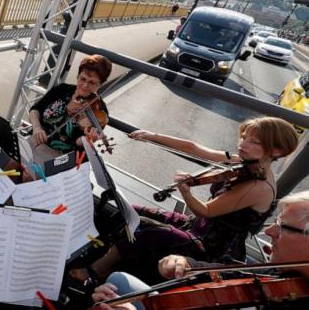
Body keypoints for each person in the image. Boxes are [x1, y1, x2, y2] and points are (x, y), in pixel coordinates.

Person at [73, 117, 298, 285]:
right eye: (244, 136)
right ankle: (95, 247)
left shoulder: (260, 187)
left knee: (148, 230)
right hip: (196, 227)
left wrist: (186, 191)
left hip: (211, 247)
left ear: (275, 150)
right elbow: (194, 148)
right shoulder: (244, 161)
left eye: (253, 141)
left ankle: (96, 270)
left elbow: (206, 211)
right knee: (131, 210)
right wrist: (152, 135)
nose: (243, 143)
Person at [92, 190, 309, 310]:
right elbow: (228, 272)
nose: (269, 231)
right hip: (198, 229)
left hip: (209, 242)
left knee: (150, 236)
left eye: (282, 227)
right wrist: (186, 263)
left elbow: (206, 211)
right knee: (118, 279)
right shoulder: (281, 274)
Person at [28, 54, 112, 163]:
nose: (85, 85)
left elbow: (77, 142)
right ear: (77, 76)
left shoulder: (100, 112)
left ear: (100, 84)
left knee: (29, 174)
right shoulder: (62, 90)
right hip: (36, 142)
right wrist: (36, 127)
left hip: (61, 157)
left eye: (92, 82)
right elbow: (35, 110)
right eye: (83, 79)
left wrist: (88, 139)